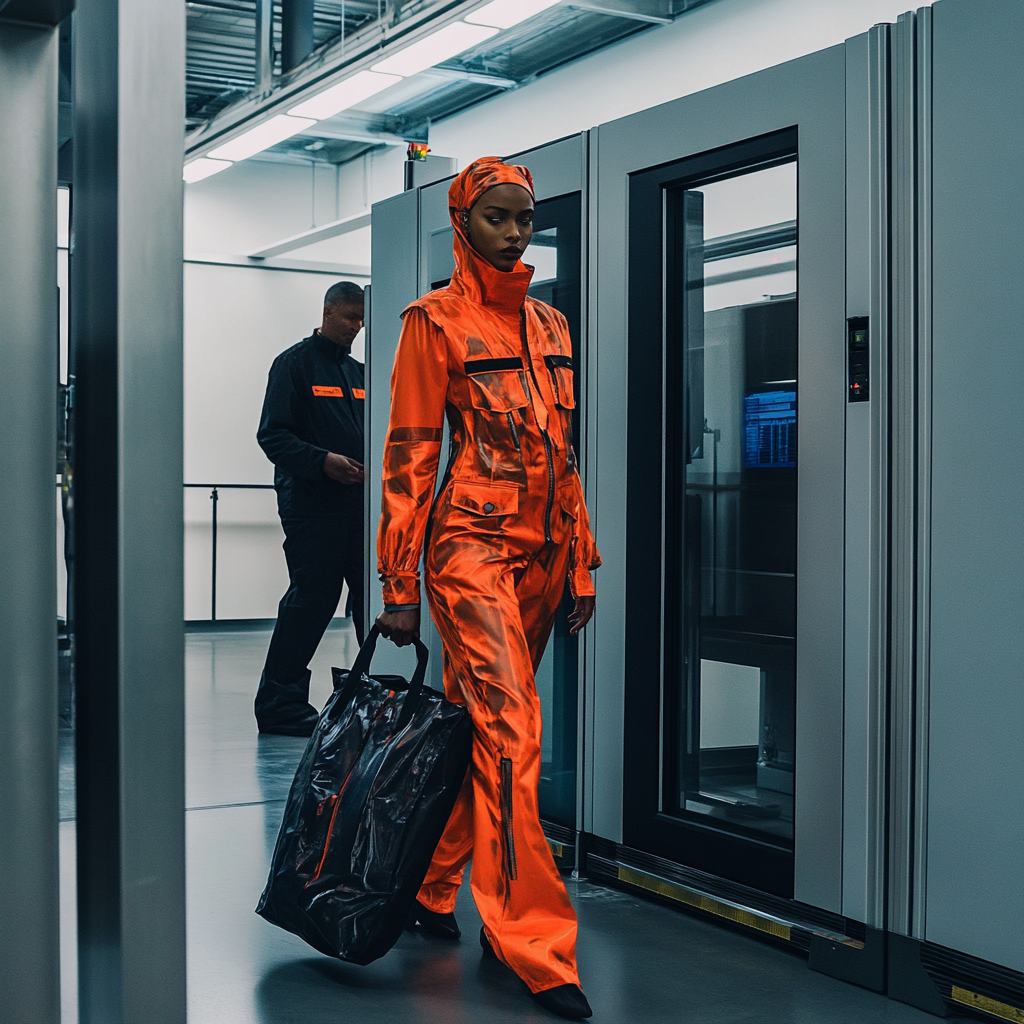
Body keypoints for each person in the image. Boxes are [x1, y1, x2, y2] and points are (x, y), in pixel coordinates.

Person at [375, 158, 601, 1020]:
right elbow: (407, 458)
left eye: (525, 218)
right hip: (469, 550)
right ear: (463, 219)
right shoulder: (432, 324)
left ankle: (433, 888)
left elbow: (562, 452)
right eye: (499, 217)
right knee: (514, 728)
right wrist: (399, 583)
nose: (515, 233)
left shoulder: (550, 323)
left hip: (543, 556)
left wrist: (579, 554)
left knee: (481, 722)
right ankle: (533, 943)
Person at [254, 281, 367, 737]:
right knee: (312, 601)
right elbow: (273, 436)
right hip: (311, 506)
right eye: (348, 318)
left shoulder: (361, 372)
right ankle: (280, 707)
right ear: (327, 312)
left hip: (360, 507)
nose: (356, 327)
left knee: (370, 601)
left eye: (361, 320)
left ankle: (373, 696)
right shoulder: (293, 365)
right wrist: (323, 462)